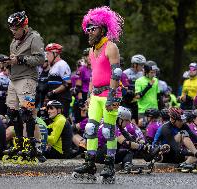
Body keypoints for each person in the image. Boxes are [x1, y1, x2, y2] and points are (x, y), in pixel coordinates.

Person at [72, 6, 123, 183]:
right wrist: (88, 97)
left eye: (93, 29)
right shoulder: (92, 51)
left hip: (111, 93)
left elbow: (116, 73)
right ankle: (90, 162)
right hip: (96, 95)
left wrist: (112, 96)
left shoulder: (111, 47)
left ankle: (109, 164)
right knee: (90, 128)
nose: (89, 32)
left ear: (102, 29)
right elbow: (94, 75)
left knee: (109, 130)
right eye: (88, 29)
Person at [6, 11, 45, 155]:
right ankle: (19, 145)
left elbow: (40, 59)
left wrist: (21, 59)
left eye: (15, 29)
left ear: (24, 26)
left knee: (27, 113)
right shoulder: (14, 41)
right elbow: (14, 59)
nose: (13, 32)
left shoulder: (34, 38)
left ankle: (32, 146)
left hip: (27, 79)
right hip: (13, 79)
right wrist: (8, 62)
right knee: (13, 113)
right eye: (11, 29)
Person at [45, 43, 72, 117]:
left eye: (48, 54)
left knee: (62, 122)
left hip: (62, 98)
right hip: (54, 98)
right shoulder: (53, 66)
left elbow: (67, 84)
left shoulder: (62, 64)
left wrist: (53, 92)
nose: (46, 56)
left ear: (55, 53)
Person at [122, 54, 146, 123]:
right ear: (135, 65)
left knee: (137, 122)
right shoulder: (125, 73)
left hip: (138, 101)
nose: (143, 67)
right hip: (128, 100)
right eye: (141, 65)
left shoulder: (142, 74)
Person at [135, 62, 159, 126]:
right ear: (146, 72)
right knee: (143, 131)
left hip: (155, 110)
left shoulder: (156, 80)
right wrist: (148, 87)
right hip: (143, 111)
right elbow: (137, 96)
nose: (153, 74)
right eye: (151, 72)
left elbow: (158, 96)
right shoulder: (139, 81)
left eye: (155, 72)